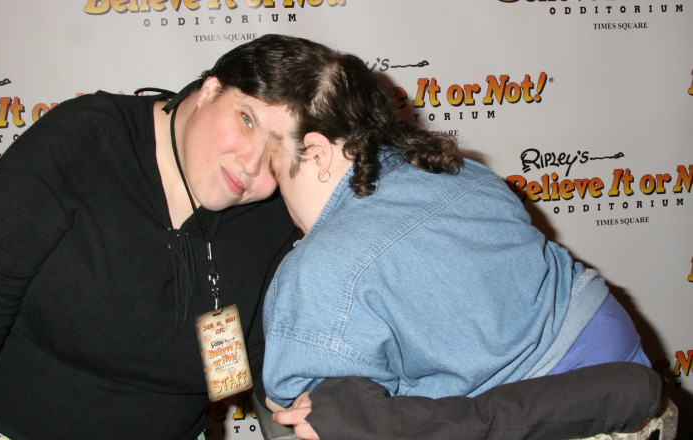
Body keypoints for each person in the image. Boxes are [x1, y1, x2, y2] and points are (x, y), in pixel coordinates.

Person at [239, 34, 655, 436]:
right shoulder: (454, 170)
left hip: (538, 409)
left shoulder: (318, 269)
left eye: (271, 158)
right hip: (615, 352)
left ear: (316, 152)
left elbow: (296, 405)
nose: (262, 177)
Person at [0, 66, 300, 438]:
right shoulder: (84, 139)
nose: (251, 164)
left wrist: (313, 398)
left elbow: (241, 361)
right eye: (247, 120)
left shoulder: (270, 216)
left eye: (277, 152)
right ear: (211, 90)